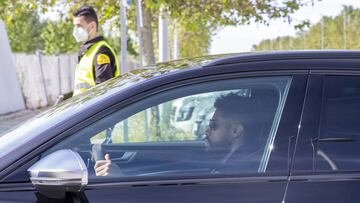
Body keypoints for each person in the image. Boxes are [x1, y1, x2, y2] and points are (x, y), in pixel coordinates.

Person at [94, 93, 260, 176]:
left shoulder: (239, 172)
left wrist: (122, 180)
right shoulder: (226, 164)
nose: (207, 130)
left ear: (236, 131)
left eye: (213, 126)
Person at [72, 6, 120, 96]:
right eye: (75, 26)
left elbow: (104, 92)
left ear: (92, 26)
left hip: (93, 109)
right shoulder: (87, 52)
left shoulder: (101, 52)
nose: (75, 30)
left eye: (79, 26)